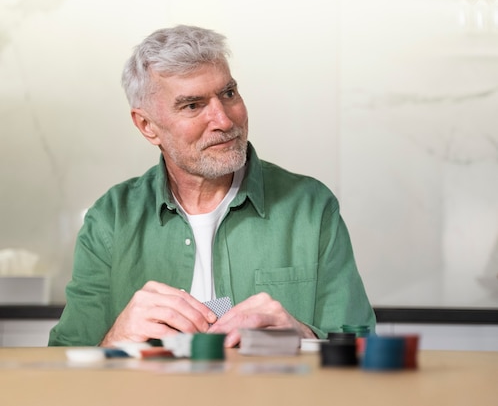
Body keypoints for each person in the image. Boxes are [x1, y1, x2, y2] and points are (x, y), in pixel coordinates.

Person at [48, 25, 375, 348]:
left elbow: (362, 351)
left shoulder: (311, 208)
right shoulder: (111, 219)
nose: (224, 120)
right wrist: (114, 340)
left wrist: (303, 336)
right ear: (147, 126)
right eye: (192, 105)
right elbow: (62, 367)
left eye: (229, 94)